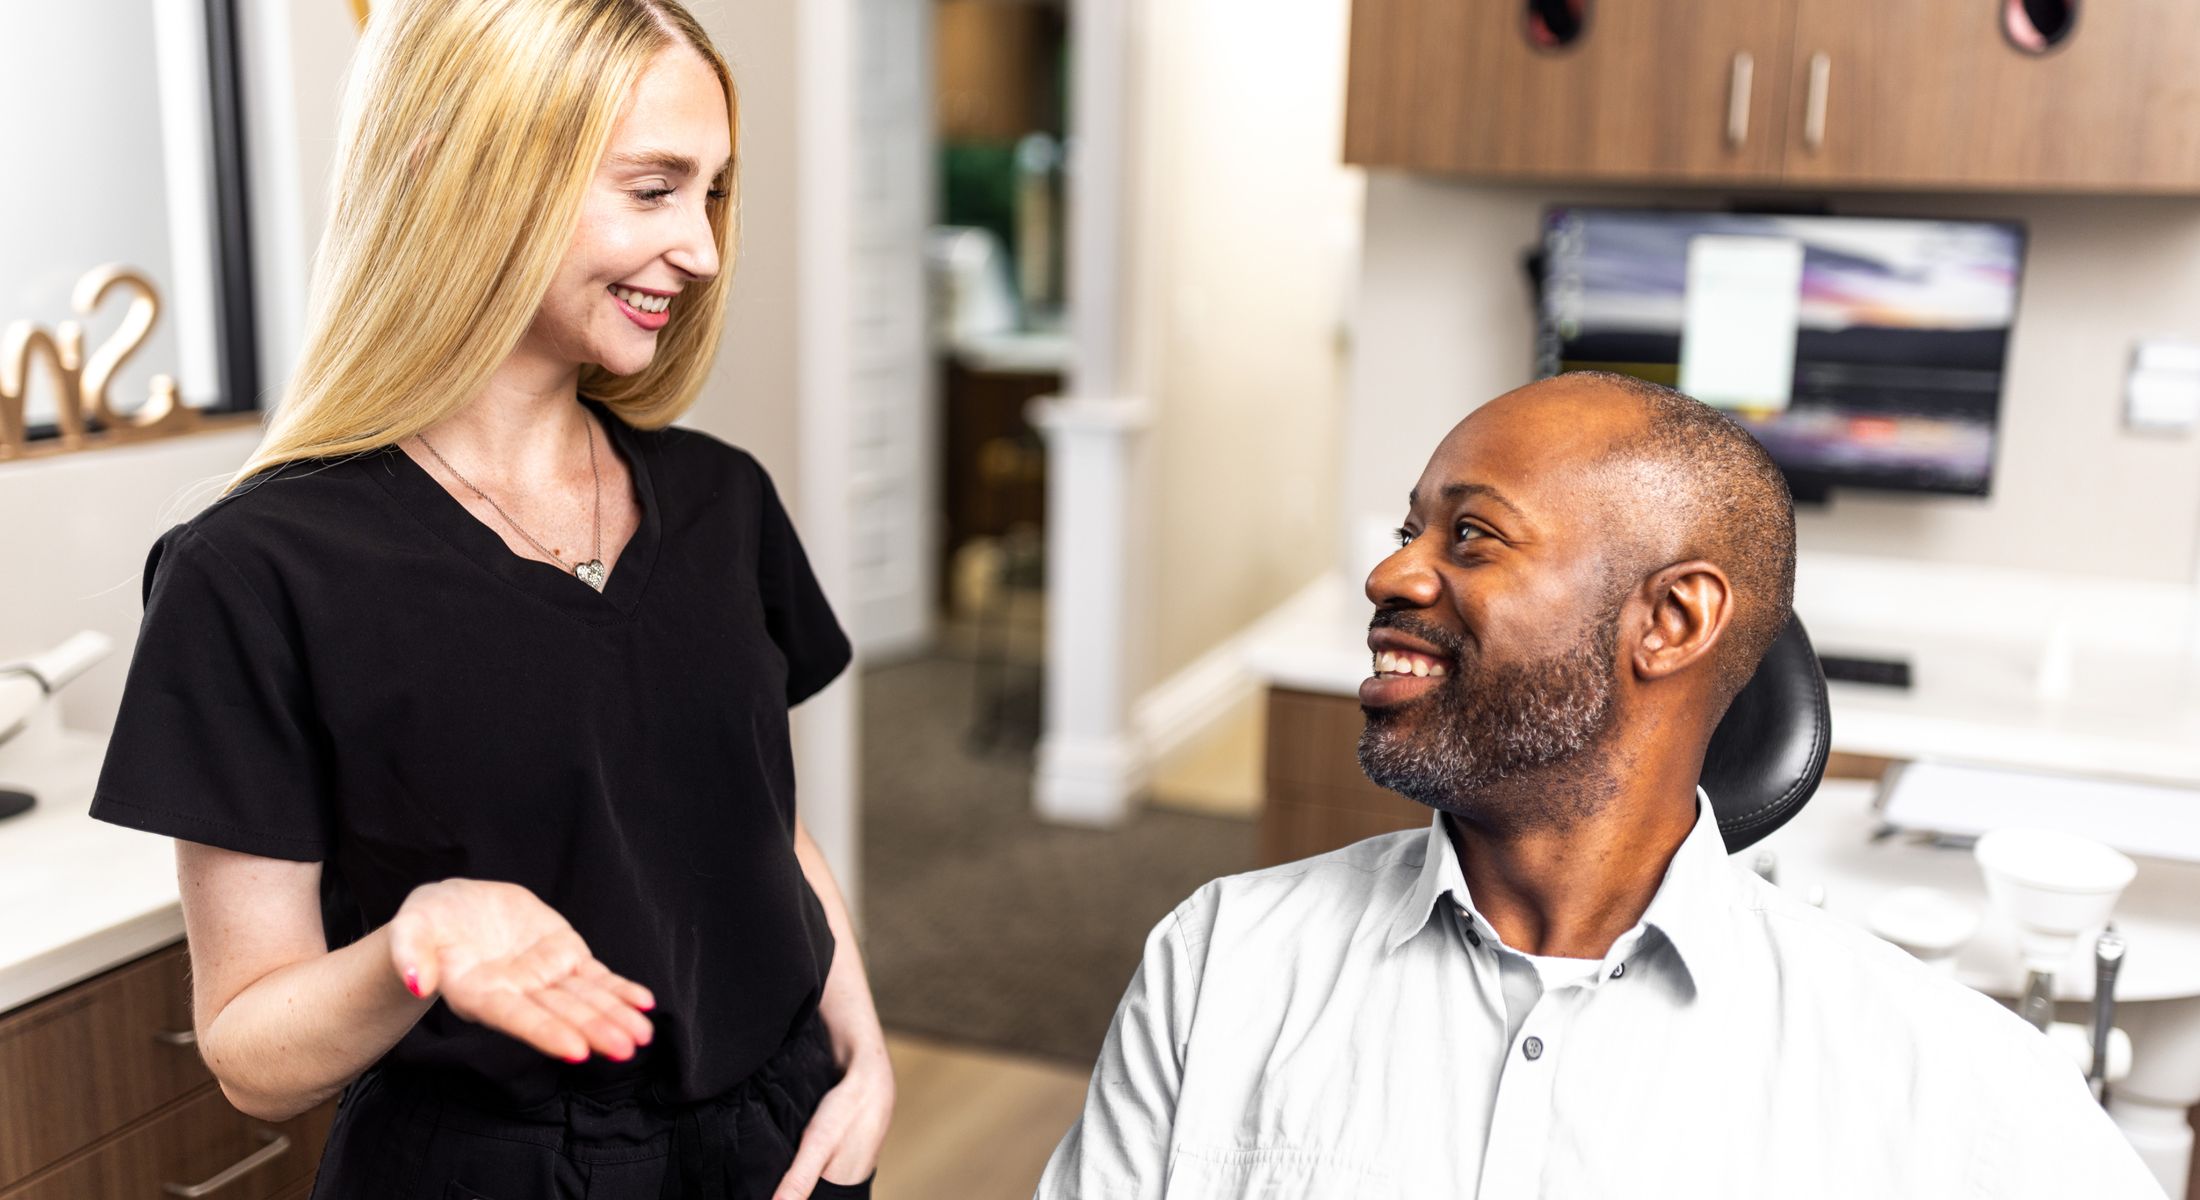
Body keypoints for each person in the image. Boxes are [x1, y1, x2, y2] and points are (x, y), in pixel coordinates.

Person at [88, 2, 892, 1196]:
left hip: (782, 1142)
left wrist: (861, 1047)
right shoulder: (253, 571)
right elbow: (252, 1055)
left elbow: (760, 826)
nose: (706, 249)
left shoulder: (724, 501)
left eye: (711, 193)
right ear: (470, 173)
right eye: (653, 187)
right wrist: (411, 950)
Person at [1035, 372, 2162, 1199]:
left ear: (1670, 621)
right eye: (1407, 530)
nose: (1389, 573)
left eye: (1471, 536)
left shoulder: (1933, 1074)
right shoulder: (1221, 965)